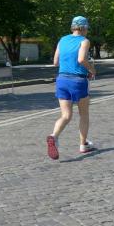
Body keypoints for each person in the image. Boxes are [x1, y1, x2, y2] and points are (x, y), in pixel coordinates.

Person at [46, 16, 98, 160]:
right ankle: (83, 144)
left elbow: (55, 62)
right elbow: (81, 59)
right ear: (84, 28)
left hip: (62, 80)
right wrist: (92, 70)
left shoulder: (62, 40)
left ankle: (53, 136)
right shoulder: (84, 41)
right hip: (78, 81)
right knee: (84, 114)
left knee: (66, 115)